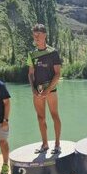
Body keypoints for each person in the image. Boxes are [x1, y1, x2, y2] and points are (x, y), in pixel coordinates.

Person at [27, 24, 62, 154]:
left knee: (54, 115)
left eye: (39, 34)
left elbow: (58, 73)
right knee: (40, 117)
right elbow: (30, 73)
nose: (36, 37)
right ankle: (45, 144)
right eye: (34, 35)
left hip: (51, 90)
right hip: (37, 91)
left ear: (45, 35)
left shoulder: (53, 52)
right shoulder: (32, 54)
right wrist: (33, 89)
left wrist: (49, 89)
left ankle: (57, 144)